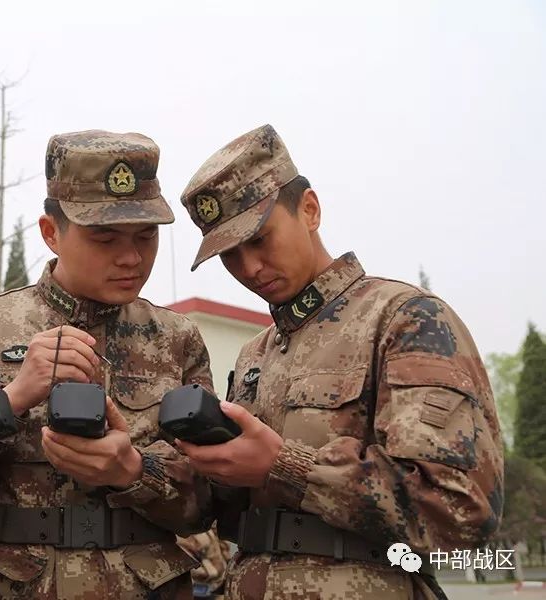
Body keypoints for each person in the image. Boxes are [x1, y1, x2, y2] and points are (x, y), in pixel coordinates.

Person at [177, 124, 504, 599]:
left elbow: (459, 512)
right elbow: (227, 513)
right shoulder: (255, 353)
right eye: (230, 255)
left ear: (309, 209)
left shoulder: (404, 319)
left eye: (260, 239)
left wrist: (285, 466)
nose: (249, 268)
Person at [0, 130, 215, 599]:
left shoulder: (177, 340)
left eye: (146, 235)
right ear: (52, 233)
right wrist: (9, 401)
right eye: (105, 237)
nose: (131, 257)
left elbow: (211, 501)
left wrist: (133, 471)